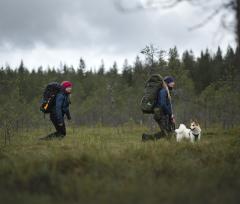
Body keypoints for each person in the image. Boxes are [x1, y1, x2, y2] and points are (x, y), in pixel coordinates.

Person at [142, 76, 175, 141]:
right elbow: (162, 104)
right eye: (172, 82)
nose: (173, 83)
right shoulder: (163, 91)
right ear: (168, 83)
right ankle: (147, 138)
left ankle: (147, 138)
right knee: (167, 133)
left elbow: (167, 105)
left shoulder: (165, 91)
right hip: (161, 115)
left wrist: (171, 115)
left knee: (168, 132)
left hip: (164, 114)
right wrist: (169, 113)